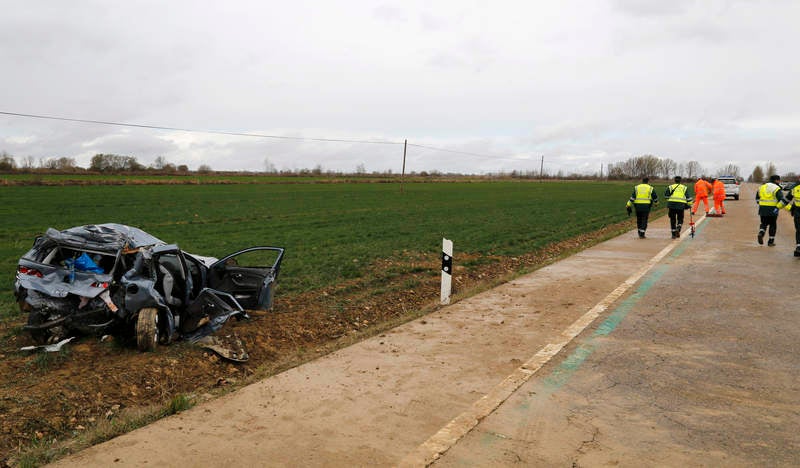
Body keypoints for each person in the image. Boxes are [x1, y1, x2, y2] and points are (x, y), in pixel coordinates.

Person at [755, 174, 787, 246]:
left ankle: (761, 233)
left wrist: (761, 203)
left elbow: (757, 198)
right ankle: (770, 241)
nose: (779, 182)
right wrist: (780, 207)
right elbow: (781, 200)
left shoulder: (761, 187)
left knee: (763, 223)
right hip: (773, 209)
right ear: (776, 180)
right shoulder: (776, 188)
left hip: (762, 209)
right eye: (779, 180)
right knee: (772, 225)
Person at [780, 175, 800, 256]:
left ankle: (798, 248)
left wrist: (777, 207)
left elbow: (786, 200)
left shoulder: (795, 188)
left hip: (798, 212)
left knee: (799, 230)